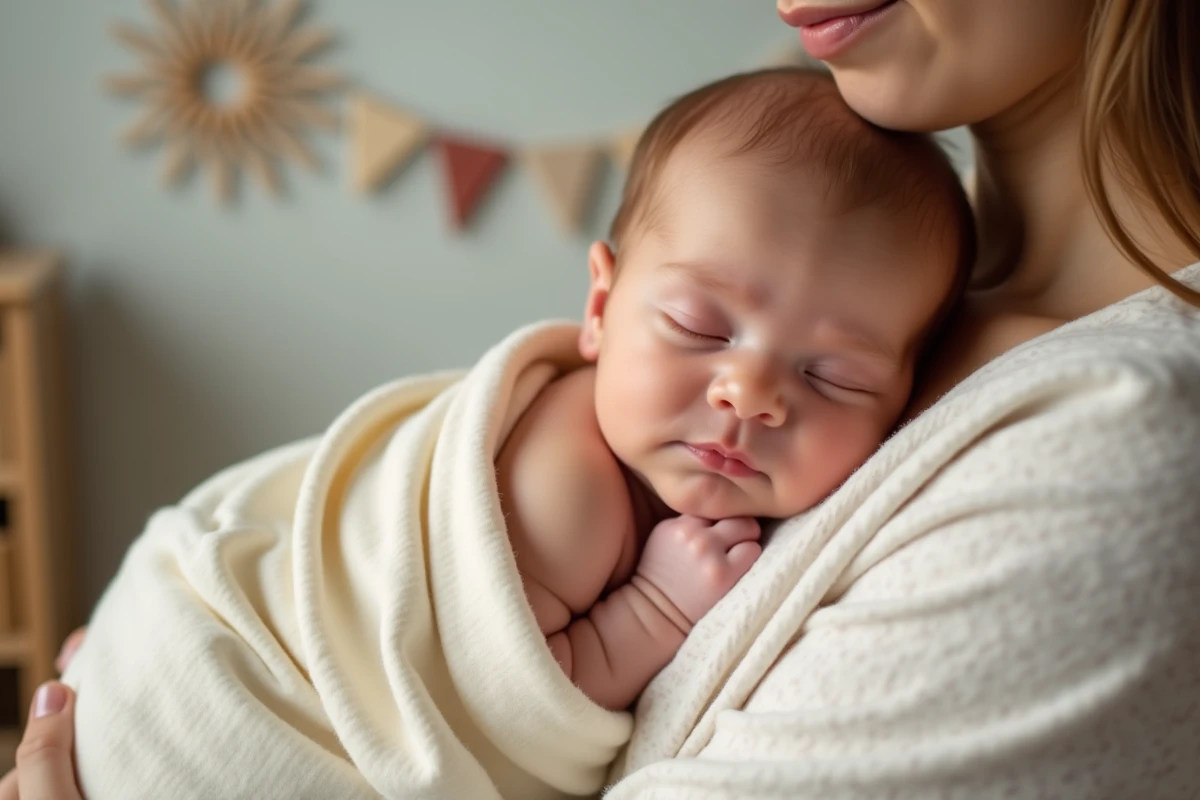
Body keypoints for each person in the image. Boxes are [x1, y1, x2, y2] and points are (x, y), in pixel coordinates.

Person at [6, 0, 1200, 795]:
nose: (748, 392)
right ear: (603, 299)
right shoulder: (894, 291)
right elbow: (434, 640)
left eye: (835, 375)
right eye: (696, 325)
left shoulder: (1120, 440)